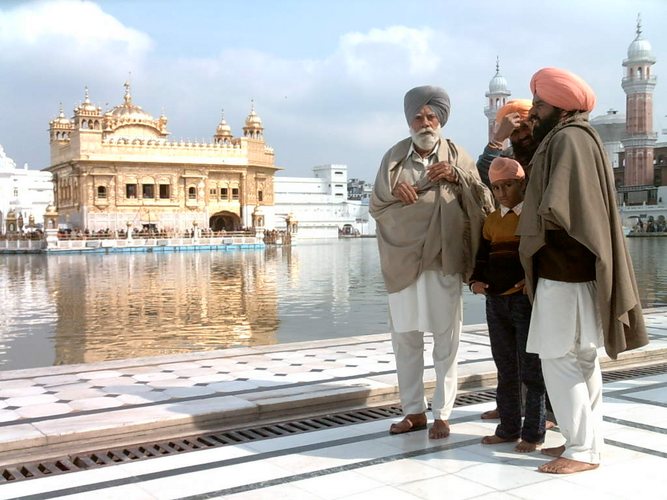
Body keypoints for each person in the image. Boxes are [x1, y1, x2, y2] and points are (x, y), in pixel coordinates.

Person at [517, 67, 649, 473]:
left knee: (559, 358)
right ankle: (586, 442)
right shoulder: (574, 136)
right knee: (582, 359)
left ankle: (580, 450)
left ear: (561, 106)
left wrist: (532, 231)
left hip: (565, 270)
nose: (533, 111)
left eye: (539, 104)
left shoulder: (569, 139)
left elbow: (559, 209)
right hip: (576, 271)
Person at [370, 85, 493, 439]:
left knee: (446, 339)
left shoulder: (458, 156)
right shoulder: (394, 158)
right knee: (405, 339)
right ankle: (413, 411)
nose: (425, 123)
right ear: (409, 120)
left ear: (441, 119)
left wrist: (458, 176)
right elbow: (377, 206)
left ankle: (441, 412)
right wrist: (395, 192)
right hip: (403, 261)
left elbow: (484, 200)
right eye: (418, 117)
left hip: (443, 259)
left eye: (431, 116)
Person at [469, 157, 547, 453]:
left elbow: (542, 253)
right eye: (497, 187)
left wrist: (532, 281)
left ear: (522, 183)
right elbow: (482, 255)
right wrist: (475, 281)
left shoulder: (532, 216)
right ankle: (508, 428)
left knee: (531, 368)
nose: (502, 193)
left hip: (523, 302)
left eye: (508, 186)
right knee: (504, 366)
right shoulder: (491, 219)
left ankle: (534, 433)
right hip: (495, 302)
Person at [476, 99, 537, 188]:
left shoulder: (550, 148)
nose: (522, 136)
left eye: (525, 127)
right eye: (515, 132)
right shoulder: (508, 158)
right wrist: (498, 139)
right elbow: (480, 181)